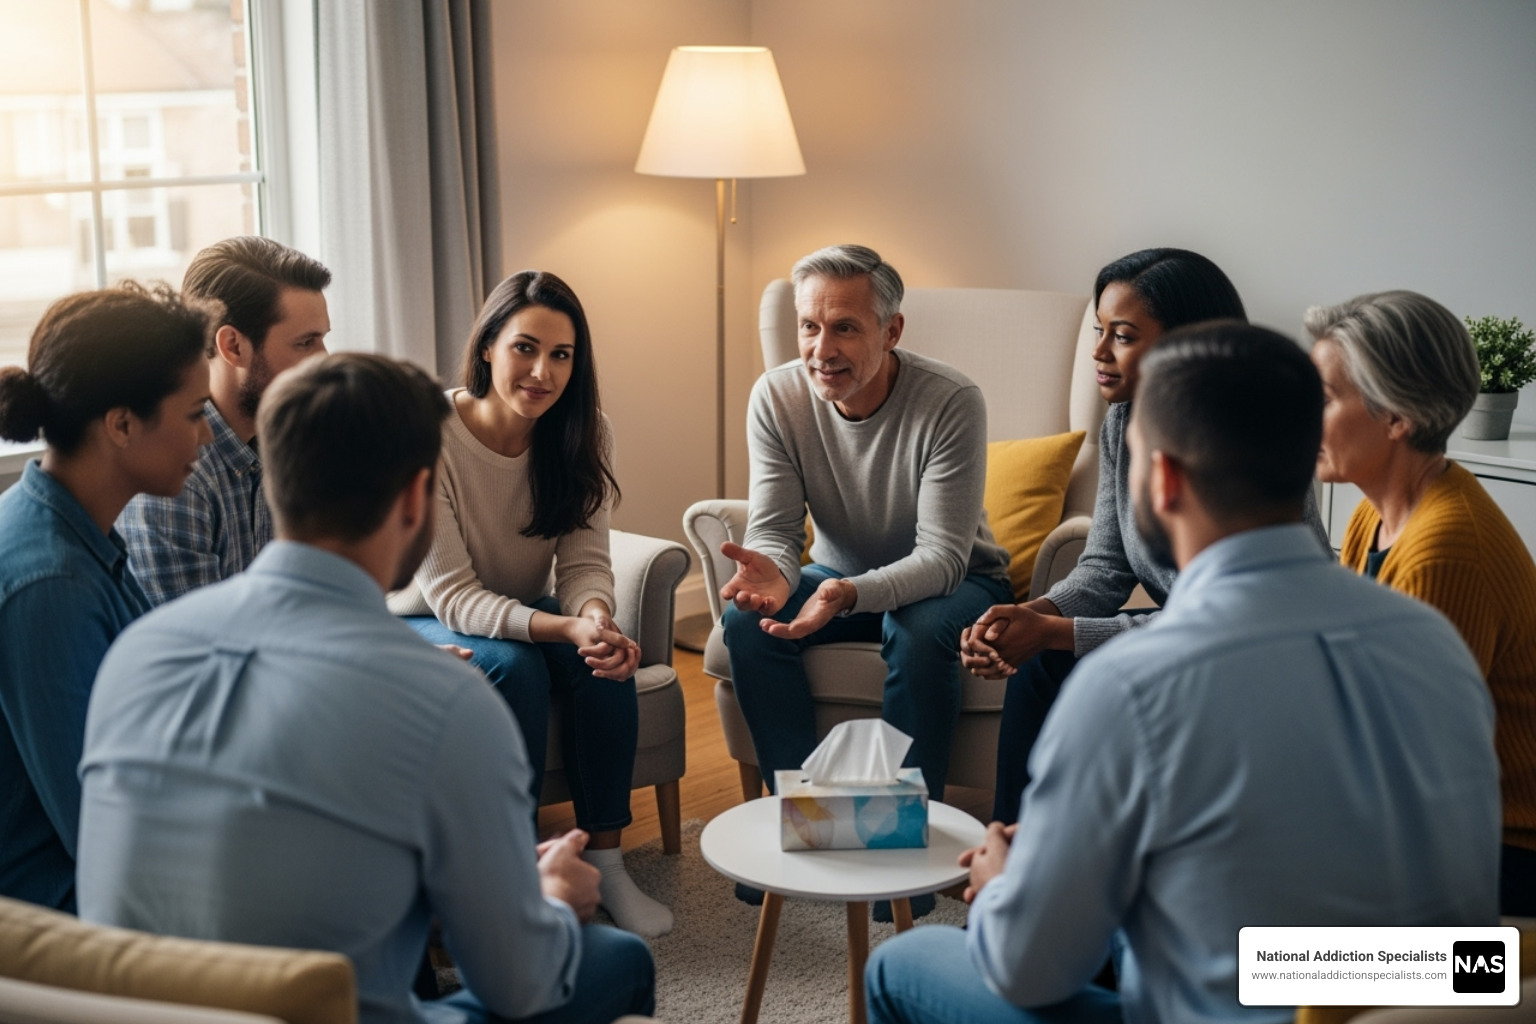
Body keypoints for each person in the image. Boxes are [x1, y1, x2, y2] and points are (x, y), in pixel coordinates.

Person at [864, 323, 1501, 1024]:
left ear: (1163, 480)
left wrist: (1005, 886)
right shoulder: (1434, 643)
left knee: (902, 964)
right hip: (1417, 1001)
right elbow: (1462, 950)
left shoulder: (1131, 690)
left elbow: (1028, 971)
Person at [77, 353, 655, 1024]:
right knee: (617, 960)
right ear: (417, 498)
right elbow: (518, 985)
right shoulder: (447, 701)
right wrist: (551, 898)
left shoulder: (137, 650)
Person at [964, 248, 1329, 824]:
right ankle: (1012, 845)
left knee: (1060, 663)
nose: (1098, 353)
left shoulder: (1241, 444)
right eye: (1099, 330)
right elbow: (1105, 567)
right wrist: (1028, 615)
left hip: (1242, 659)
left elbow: (1221, 621)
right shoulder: (1124, 421)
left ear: (1186, 345)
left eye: (1124, 336)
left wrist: (1055, 632)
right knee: (1041, 666)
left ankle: (1045, 867)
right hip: (1186, 636)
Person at [387, 270, 670, 938]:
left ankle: (605, 864)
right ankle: (514, 871)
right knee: (514, 666)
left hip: (519, 607)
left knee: (606, 659)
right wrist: (566, 624)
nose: (542, 371)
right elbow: (452, 596)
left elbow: (583, 563)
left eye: (561, 355)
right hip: (423, 617)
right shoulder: (428, 432)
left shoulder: (582, 432)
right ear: (487, 346)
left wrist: (595, 619)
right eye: (524, 347)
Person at [1306, 289, 1536, 916]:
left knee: (1264, 963)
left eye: (1323, 398)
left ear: (1396, 417)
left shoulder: (1445, 550)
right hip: (1435, 836)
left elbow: (1400, 770)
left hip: (1497, 862)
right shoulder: (1371, 518)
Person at [0, 283, 212, 911]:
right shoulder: (51, 583)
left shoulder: (71, 526)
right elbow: (98, 831)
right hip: (63, 909)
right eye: (196, 413)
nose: (205, 439)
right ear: (121, 424)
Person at [119, 235, 331, 605]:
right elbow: (205, 651)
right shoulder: (177, 478)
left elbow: (311, 600)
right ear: (232, 346)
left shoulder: (291, 441)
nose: (326, 361)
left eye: (323, 340)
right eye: (305, 343)